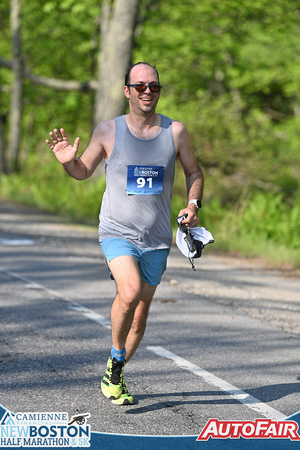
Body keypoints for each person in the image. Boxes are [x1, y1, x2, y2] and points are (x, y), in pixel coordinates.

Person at [46, 61, 204, 405]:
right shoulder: (108, 130)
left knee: (140, 314)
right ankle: (116, 366)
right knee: (129, 292)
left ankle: (114, 369)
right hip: (117, 231)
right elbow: (82, 170)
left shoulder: (175, 132)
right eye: (141, 86)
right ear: (127, 91)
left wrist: (193, 205)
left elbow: (194, 172)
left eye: (155, 87)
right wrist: (67, 162)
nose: (149, 92)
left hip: (158, 237)